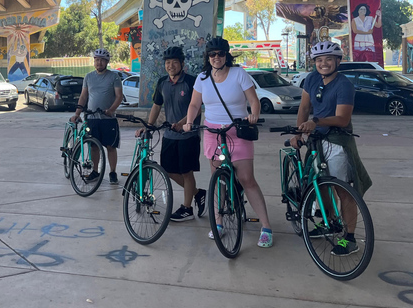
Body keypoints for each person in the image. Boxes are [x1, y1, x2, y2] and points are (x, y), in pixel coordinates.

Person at [183, 37, 273, 248]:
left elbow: (253, 101)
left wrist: (253, 115)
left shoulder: (238, 74)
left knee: (246, 179)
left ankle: (266, 227)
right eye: (212, 54)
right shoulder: (202, 78)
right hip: (213, 133)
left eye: (220, 54)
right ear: (208, 57)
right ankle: (219, 222)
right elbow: (195, 104)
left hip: (237, 131)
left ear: (227, 55)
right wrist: (189, 121)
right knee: (217, 179)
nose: (216, 58)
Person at [295, 41, 372, 257]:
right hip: (316, 139)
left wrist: (315, 122)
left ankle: (349, 239)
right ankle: (330, 222)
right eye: (319, 60)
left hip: (337, 140)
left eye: (329, 59)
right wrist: (298, 132)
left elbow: (342, 118)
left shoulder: (344, 85)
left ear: (338, 61)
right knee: (320, 184)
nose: (324, 63)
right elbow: (304, 107)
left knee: (343, 190)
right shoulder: (310, 79)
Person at [137, 46, 206, 221]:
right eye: (168, 63)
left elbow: (197, 108)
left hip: (188, 135)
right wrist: (149, 125)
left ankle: (187, 208)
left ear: (182, 64)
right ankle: (198, 193)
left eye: (174, 62)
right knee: (167, 170)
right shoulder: (162, 83)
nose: (170, 66)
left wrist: (183, 124)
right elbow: (156, 105)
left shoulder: (192, 82)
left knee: (186, 172)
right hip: (169, 135)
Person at [71, 48, 124, 184]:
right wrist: (77, 113)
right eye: (96, 60)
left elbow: (119, 96)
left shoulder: (114, 77)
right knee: (94, 146)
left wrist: (111, 110)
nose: (99, 62)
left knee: (110, 147)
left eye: (102, 60)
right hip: (92, 118)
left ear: (107, 62)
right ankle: (95, 171)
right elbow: (83, 96)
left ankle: (112, 172)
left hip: (108, 119)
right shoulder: (88, 77)